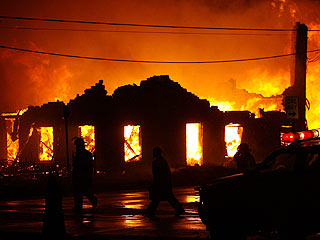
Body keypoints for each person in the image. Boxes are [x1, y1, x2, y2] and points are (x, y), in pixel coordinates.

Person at [145, 147, 185, 217]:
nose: (153, 154)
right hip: (164, 183)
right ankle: (179, 209)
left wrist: (157, 183)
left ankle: (150, 211)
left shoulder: (159, 162)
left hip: (162, 183)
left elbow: (160, 174)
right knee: (164, 198)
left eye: (154, 152)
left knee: (159, 198)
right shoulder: (161, 161)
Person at [72, 137, 97, 212]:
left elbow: (89, 166)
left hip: (84, 176)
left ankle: (93, 200)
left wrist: (88, 175)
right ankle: (78, 206)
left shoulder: (86, 154)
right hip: (78, 176)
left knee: (86, 191)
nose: (77, 147)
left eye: (78, 145)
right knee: (78, 192)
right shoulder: (76, 155)